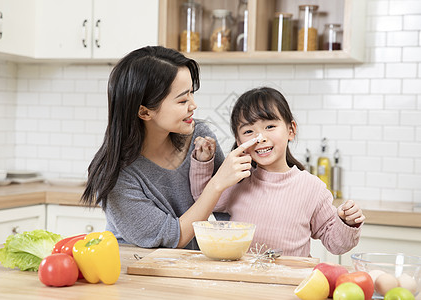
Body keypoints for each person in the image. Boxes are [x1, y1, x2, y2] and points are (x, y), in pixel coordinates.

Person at [81, 46, 250, 250]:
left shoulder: (199, 137)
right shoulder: (115, 176)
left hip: (187, 267)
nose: (193, 105)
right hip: (135, 270)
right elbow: (171, 238)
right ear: (144, 112)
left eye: (192, 94)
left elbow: (228, 207)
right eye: (182, 100)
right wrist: (217, 184)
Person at [190, 87, 365, 257]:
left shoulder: (312, 188)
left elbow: (336, 244)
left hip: (290, 283)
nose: (260, 138)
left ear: (291, 130)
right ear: (238, 140)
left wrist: (346, 222)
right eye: (249, 131)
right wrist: (203, 161)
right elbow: (203, 199)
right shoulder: (239, 182)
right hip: (244, 282)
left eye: (270, 126)